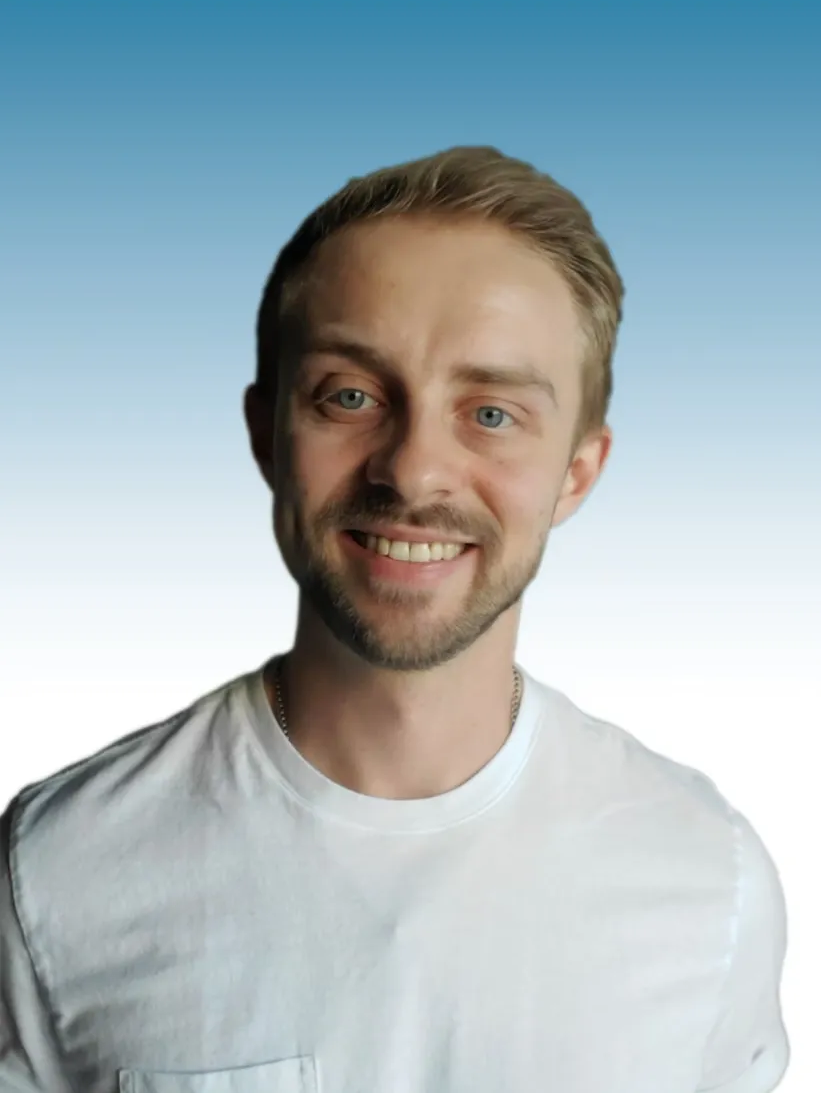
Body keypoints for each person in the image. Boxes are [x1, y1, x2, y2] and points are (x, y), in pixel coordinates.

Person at [0, 147, 790, 1093]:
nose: (412, 472)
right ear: (265, 435)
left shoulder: (708, 879)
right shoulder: (59, 871)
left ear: (577, 473)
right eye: (350, 397)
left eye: (490, 413)